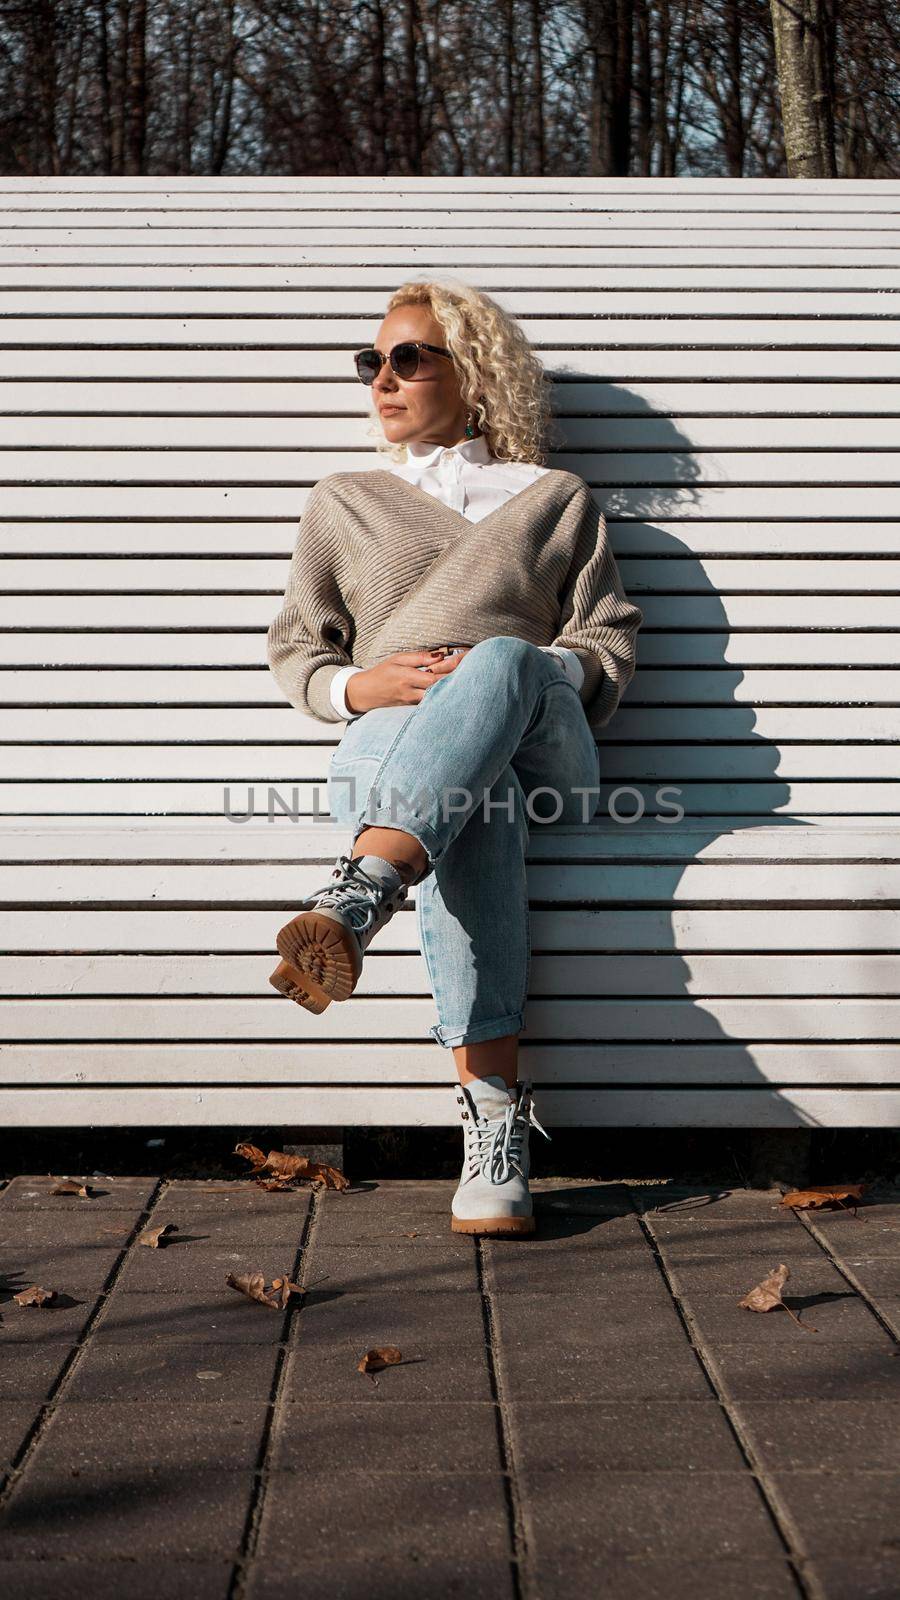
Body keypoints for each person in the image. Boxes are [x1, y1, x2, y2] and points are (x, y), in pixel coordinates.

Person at [265, 277, 643, 1236]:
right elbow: (300, 649)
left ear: (472, 376)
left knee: (508, 659)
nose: (380, 379)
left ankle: (359, 890)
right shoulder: (343, 500)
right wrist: (364, 686)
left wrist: (508, 677)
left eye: (407, 358)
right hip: (397, 752)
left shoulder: (554, 499)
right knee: (479, 806)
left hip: (545, 738)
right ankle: (494, 1128)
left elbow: (605, 641)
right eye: (371, 361)